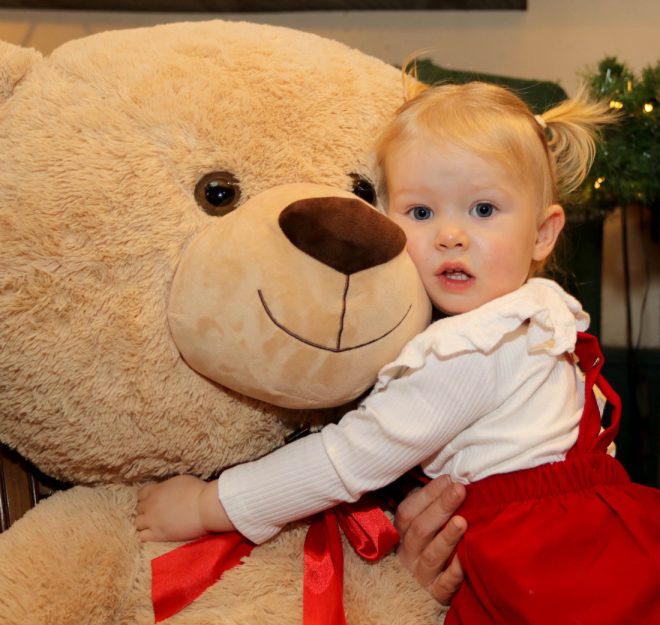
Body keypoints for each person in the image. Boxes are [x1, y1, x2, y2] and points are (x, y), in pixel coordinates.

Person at [136, 81, 660, 623]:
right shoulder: (543, 316)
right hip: (596, 545)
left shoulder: (472, 349)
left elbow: (349, 458)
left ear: (543, 233)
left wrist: (208, 506)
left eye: (483, 209)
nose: (451, 235)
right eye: (421, 212)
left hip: (545, 570)